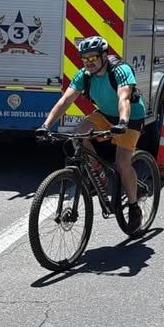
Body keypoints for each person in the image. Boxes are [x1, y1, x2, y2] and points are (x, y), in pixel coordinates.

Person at [39, 36, 148, 234]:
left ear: (104, 56)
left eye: (93, 58)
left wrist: (122, 122)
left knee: (123, 163)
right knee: (77, 134)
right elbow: (65, 100)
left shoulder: (119, 71)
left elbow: (123, 98)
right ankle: (98, 172)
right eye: (85, 59)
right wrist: (45, 125)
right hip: (106, 114)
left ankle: (134, 208)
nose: (89, 62)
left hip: (130, 116)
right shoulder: (84, 75)